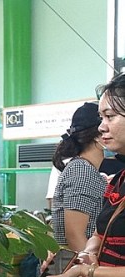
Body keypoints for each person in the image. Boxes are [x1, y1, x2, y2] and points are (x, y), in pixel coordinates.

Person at [48, 73, 125, 277]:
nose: (102, 127)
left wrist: (87, 268)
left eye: (109, 117)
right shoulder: (106, 176)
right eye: (100, 118)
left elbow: (83, 234)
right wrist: (87, 255)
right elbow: (90, 233)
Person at [51, 102, 105, 252]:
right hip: (76, 268)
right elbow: (75, 235)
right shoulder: (82, 171)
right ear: (98, 134)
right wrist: (90, 269)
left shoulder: (86, 168)